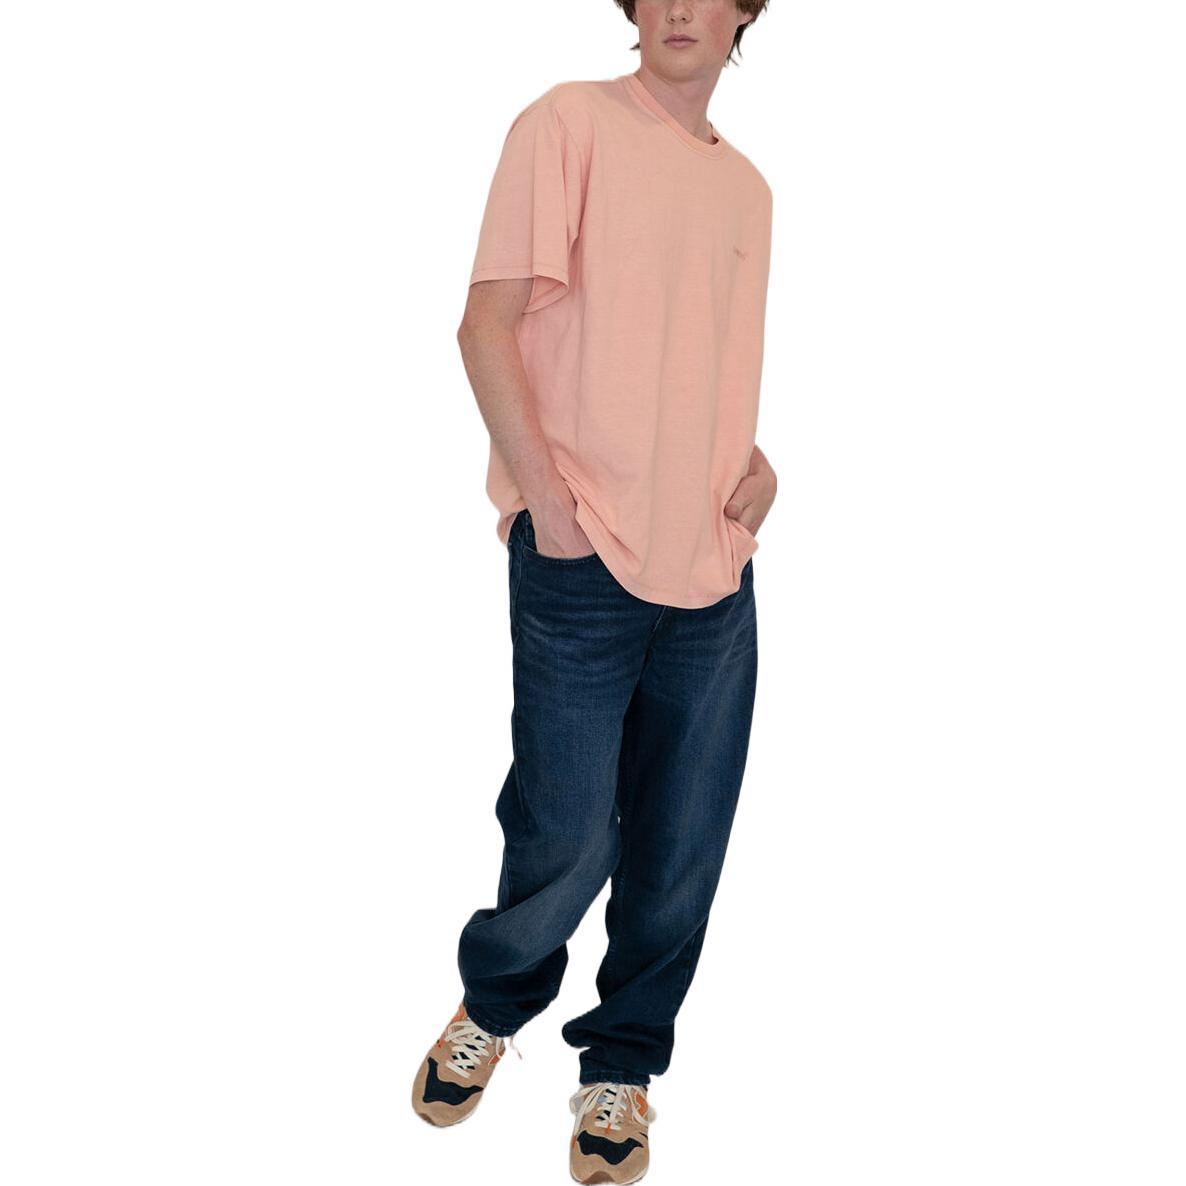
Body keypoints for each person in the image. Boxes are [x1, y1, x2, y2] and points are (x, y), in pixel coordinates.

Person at [412, 3, 776, 1181]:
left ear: (745, 12)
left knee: (679, 849)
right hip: (582, 560)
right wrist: (549, 508)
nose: (680, 7)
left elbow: (691, 365)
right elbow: (486, 326)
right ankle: (495, 1001)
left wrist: (756, 469)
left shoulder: (748, 191)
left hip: (711, 569)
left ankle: (621, 1065)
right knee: (564, 832)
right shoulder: (566, 124)